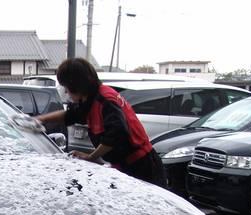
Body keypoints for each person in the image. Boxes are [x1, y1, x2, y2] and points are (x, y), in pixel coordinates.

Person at [35, 58, 166, 187]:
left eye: (66, 88)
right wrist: (41, 119)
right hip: (128, 166)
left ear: (76, 85)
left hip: (142, 168)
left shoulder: (105, 100)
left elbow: (117, 133)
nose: (66, 92)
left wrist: (91, 157)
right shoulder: (90, 99)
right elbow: (71, 115)